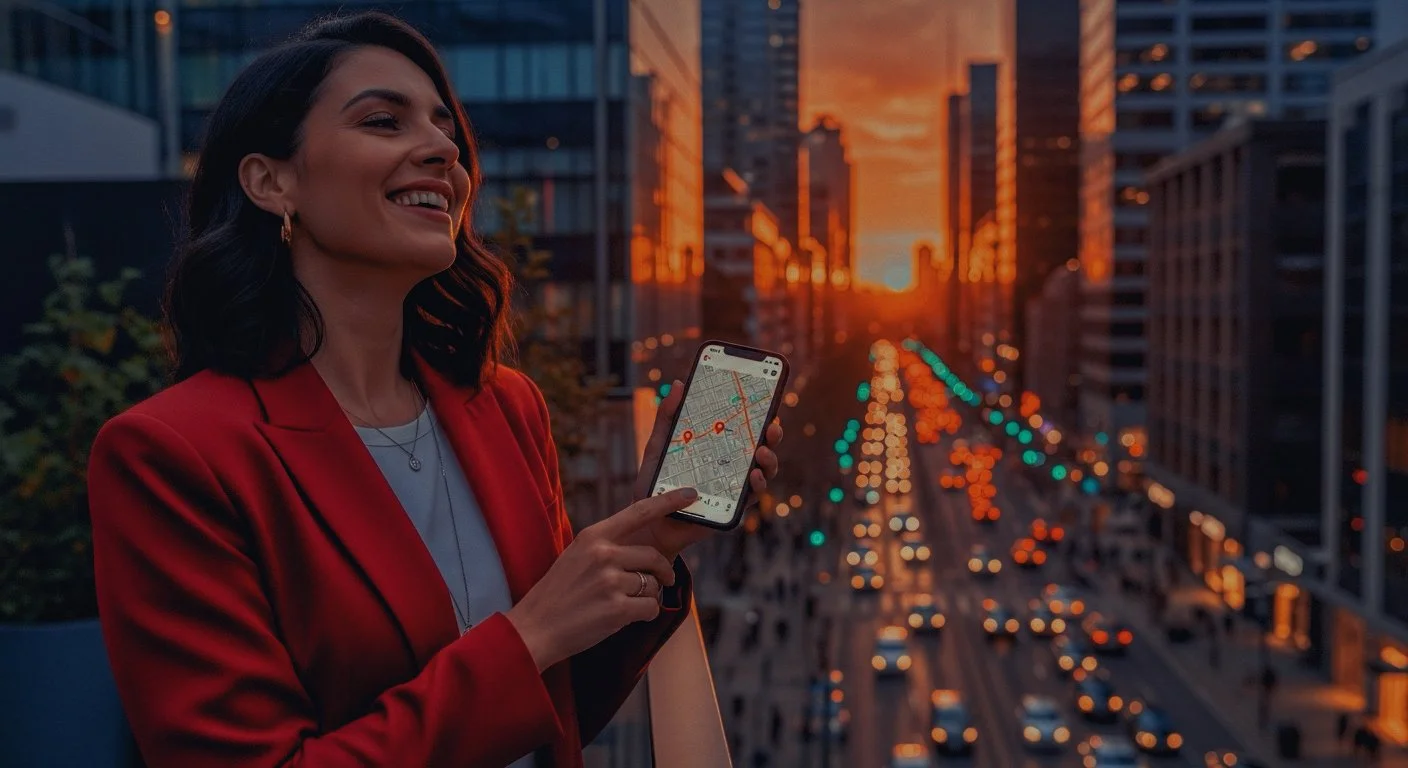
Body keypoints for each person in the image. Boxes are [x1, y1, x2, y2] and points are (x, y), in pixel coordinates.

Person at [85, 12, 783, 768]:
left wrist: (644, 549)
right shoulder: (171, 455)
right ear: (270, 181)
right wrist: (531, 634)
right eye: (384, 121)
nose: (443, 150)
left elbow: (546, 714)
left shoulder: (504, 407)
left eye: (447, 130)